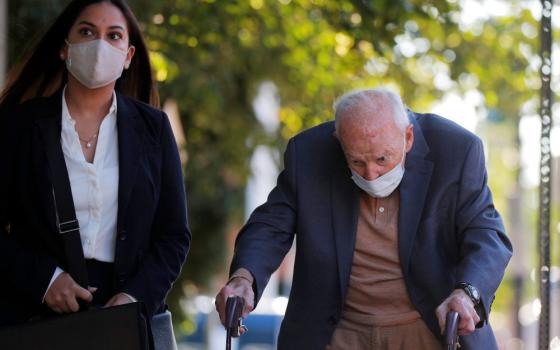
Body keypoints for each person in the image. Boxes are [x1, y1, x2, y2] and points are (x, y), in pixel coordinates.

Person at [215, 88, 512, 349]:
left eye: (382, 159)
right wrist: (244, 277)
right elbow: (271, 225)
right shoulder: (308, 153)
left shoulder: (456, 150)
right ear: (339, 141)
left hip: (425, 325)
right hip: (338, 330)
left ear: (407, 137)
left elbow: (487, 235)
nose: (370, 173)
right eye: (356, 161)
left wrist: (467, 293)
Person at [0, 0, 190, 328]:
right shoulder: (19, 126)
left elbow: (174, 236)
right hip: (33, 317)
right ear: (64, 48)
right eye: (87, 31)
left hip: (123, 320)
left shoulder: (154, 129)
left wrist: (134, 298)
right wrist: (45, 280)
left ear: (128, 56)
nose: (100, 44)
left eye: (113, 36)